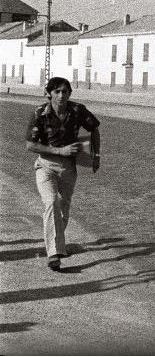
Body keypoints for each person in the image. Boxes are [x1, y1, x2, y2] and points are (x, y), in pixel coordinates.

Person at [25, 77, 101, 271]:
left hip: (68, 168)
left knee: (63, 211)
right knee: (51, 202)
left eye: (64, 91)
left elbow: (94, 128)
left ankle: (57, 243)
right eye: (57, 91)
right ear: (49, 93)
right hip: (45, 166)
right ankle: (54, 254)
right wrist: (60, 151)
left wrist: (96, 155)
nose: (61, 96)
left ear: (69, 93)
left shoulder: (77, 111)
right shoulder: (40, 113)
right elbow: (30, 144)